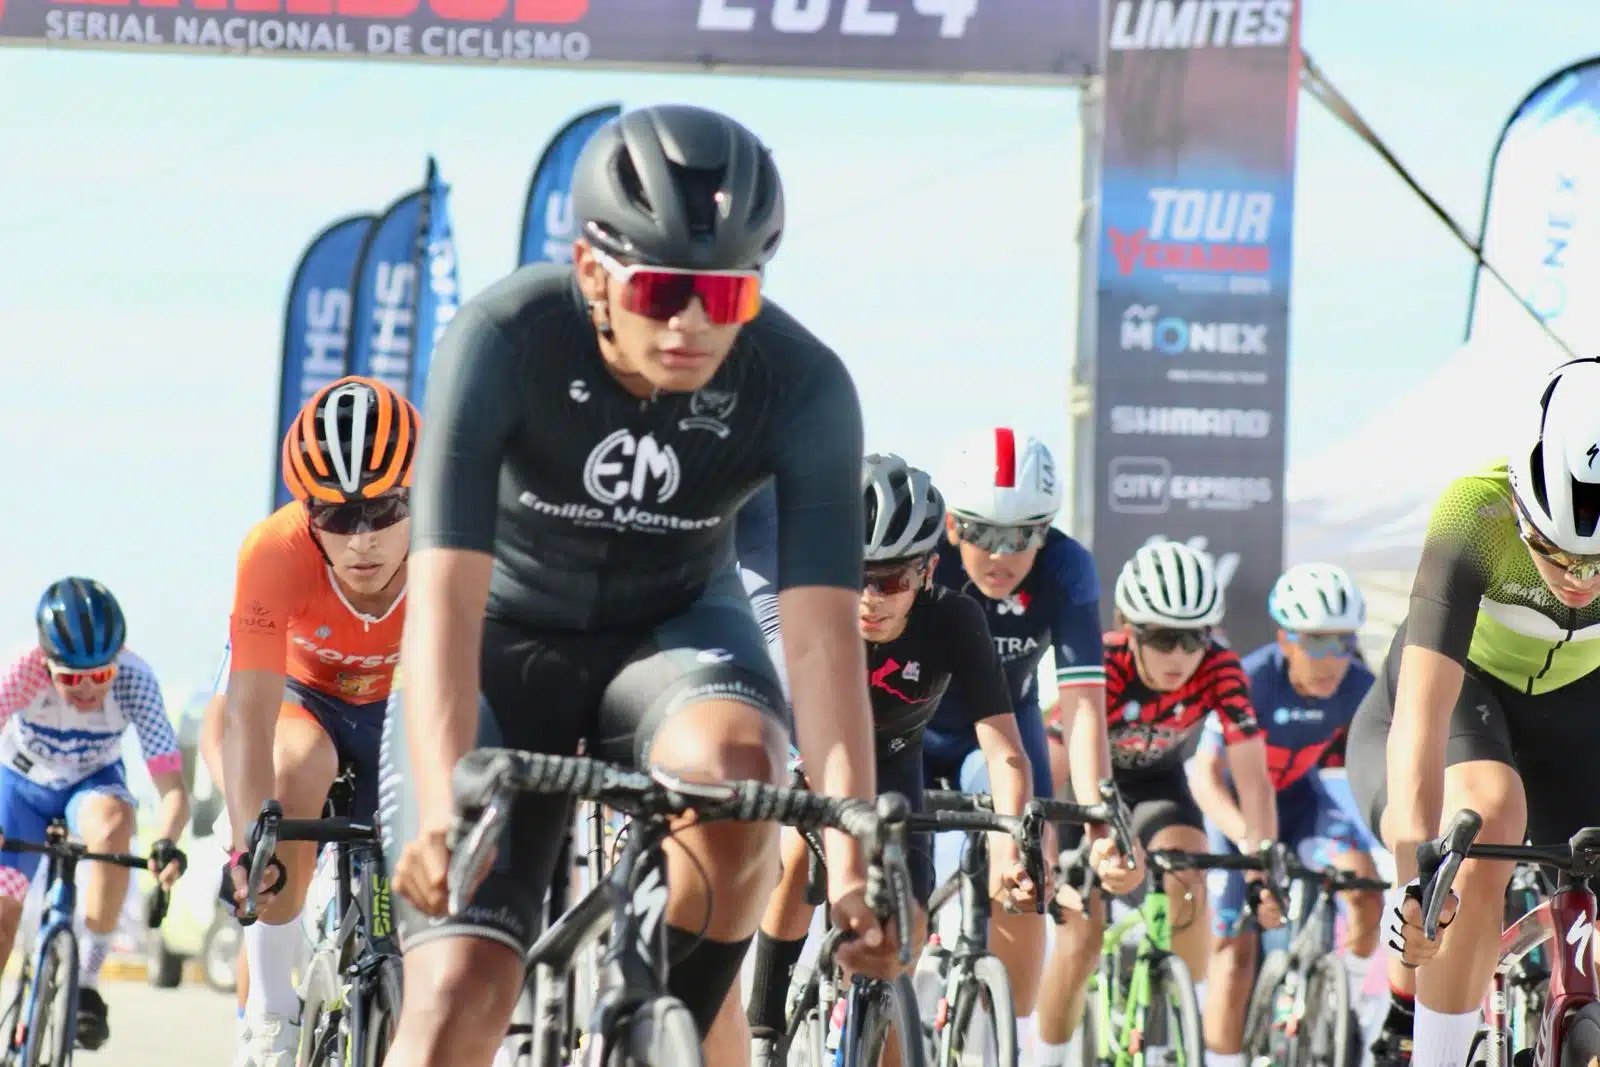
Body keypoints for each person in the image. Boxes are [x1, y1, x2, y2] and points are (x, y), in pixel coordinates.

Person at [378, 103, 891, 1067]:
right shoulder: (501, 339)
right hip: (502, 645)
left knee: (744, 777)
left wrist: (854, 853)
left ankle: (672, 1029)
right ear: (591, 272)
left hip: (672, 633)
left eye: (729, 298)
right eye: (660, 291)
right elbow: (440, 607)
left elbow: (824, 643)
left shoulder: (805, 383)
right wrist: (447, 808)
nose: (693, 326)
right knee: (456, 995)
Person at [726, 457, 1094, 1066]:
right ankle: (765, 1026)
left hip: (896, 763)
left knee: (909, 928)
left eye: (891, 581)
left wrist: (1011, 841)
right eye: (855, 577)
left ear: (927, 572)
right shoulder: (812, 615)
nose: (869, 599)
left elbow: (1003, 747)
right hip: (811, 754)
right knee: (799, 854)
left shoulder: (955, 619)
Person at [1347, 358, 1600, 1067]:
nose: (1578, 581)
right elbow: (1421, 722)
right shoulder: (1474, 514)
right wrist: (1411, 889)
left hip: (1575, 712)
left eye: (1597, 563)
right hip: (1466, 691)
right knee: (1488, 812)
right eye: (1555, 553)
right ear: (1520, 504)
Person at [219, 375, 418, 1067]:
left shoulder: (457, 539)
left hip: (407, 705)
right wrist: (252, 847)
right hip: (309, 703)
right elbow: (248, 713)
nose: (361, 538)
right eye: (334, 516)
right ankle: (272, 1010)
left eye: (385, 507)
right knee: (295, 773)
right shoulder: (274, 550)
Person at [1035, 540, 1279, 1067]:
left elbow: (1254, 782)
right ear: (1128, 626)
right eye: (1164, 639)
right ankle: (1045, 1058)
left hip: (1157, 787)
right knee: (1080, 940)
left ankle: (1179, 1020)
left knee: (1188, 873)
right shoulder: (1104, 662)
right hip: (1082, 791)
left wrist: (1263, 860)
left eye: (1194, 638)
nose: (1180, 657)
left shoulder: (1220, 667)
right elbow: (1050, 776)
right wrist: (1045, 856)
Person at [920, 427, 1113, 1051]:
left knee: (1031, 860)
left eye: (1023, 534)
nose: (1000, 555)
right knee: (885, 868)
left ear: (1047, 531)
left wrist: (1101, 806)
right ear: (952, 526)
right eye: (982, 532)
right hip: (908, 728)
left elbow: (1083, 705)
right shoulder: (923, 556)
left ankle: (1011, 1041)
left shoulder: (1067, 567)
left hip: (999, 731)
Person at [1187, 562, 1384, 1067]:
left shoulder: (1360, 686)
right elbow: (1205, 778)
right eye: (1315, 642)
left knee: (1363, 885)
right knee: (1234, 946)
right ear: (1285, 638)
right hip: (1234, 813)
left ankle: (1349, 1006)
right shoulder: (1249, 679)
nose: (1330, 659)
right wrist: (1251, 847)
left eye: (1342, 642)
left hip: (1299, 803)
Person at [0, 578, 189, 1051]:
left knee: (113, 824)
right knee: (3, 916)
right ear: (46, 665)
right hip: (20, 786)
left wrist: (166, 843)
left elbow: (172, 790)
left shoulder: (136, 679)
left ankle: (85, 979)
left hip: (90, 783)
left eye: (100, 676)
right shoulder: (22, 670)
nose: (86, 690)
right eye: (70, 679)